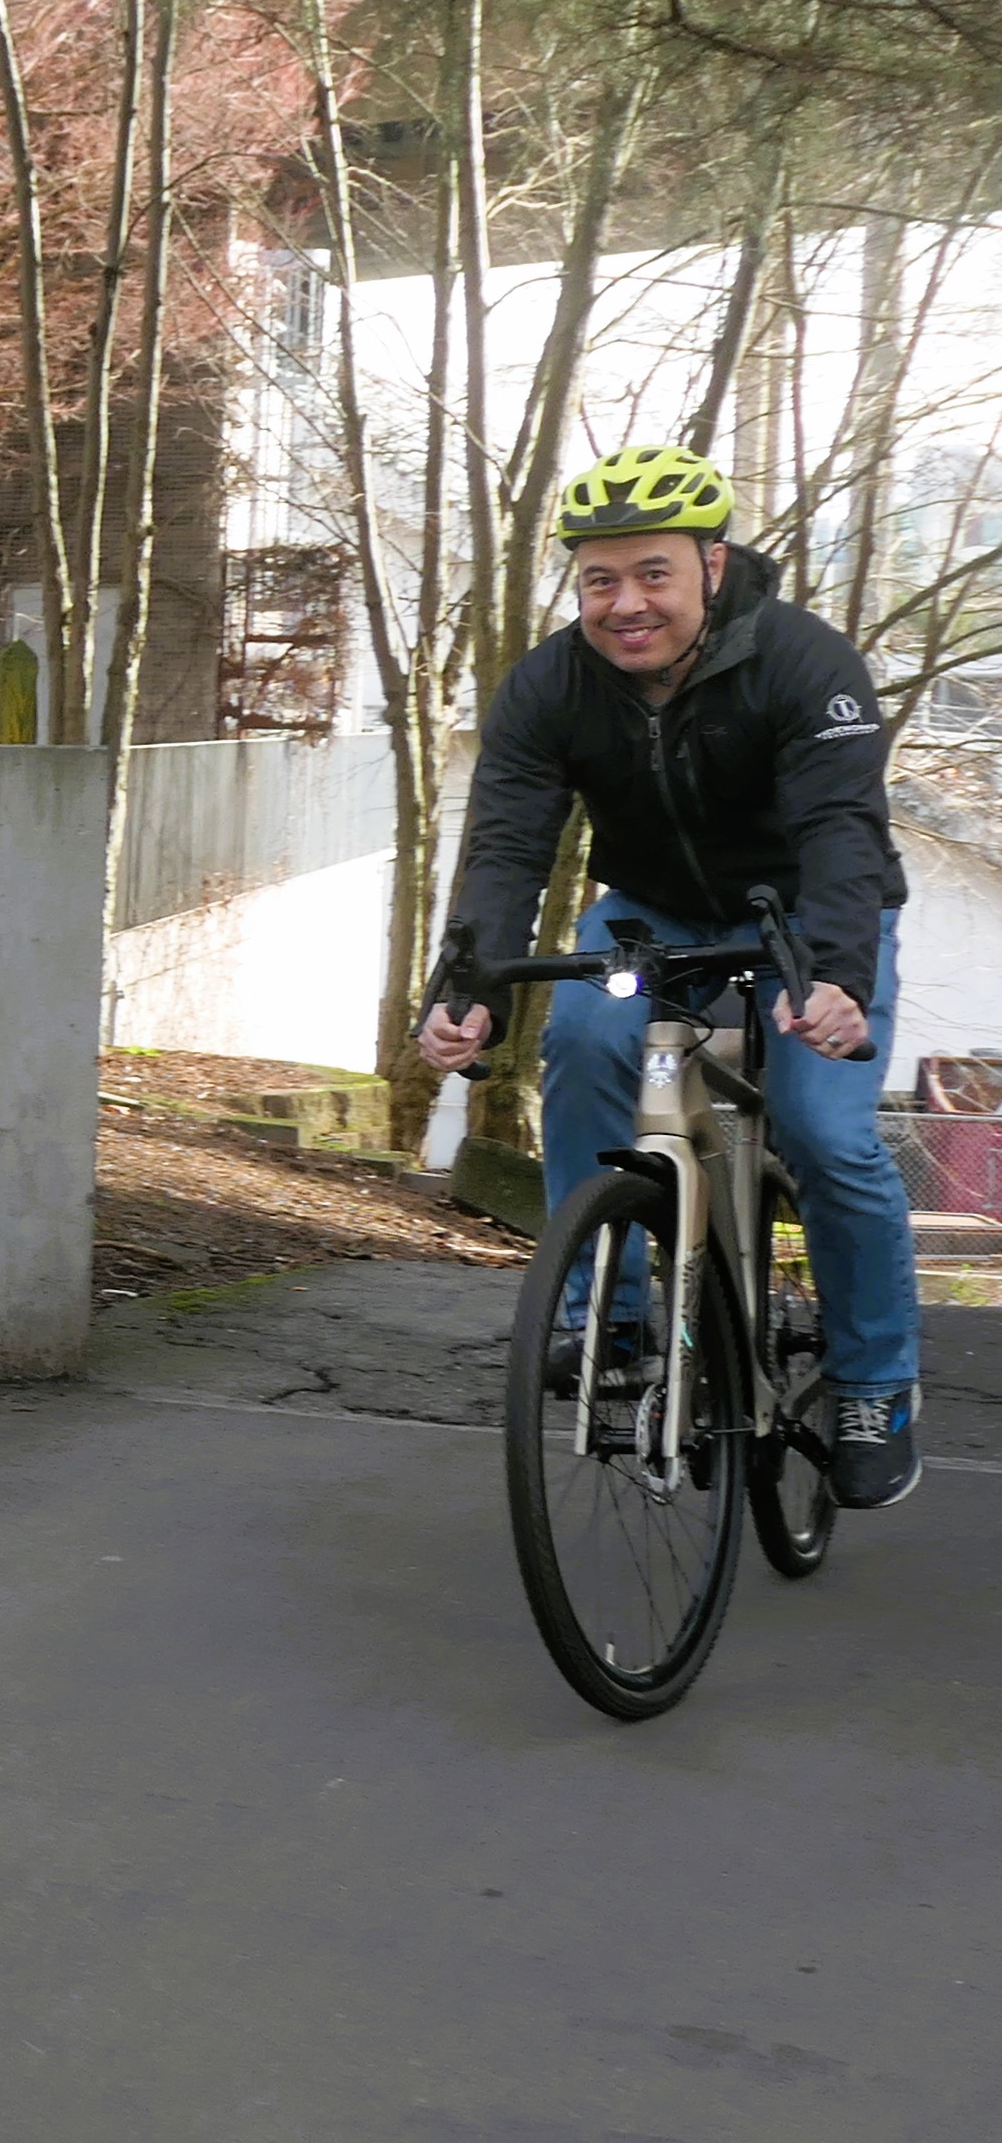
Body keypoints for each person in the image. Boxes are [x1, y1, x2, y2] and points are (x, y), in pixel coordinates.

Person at [420, 445, 921, 1506]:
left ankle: (876, 1384)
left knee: (825, 1130)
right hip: (651, 911)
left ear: (713, 565)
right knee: (583, 1040)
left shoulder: (804, 661)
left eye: (654, 572)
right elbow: (506, 847)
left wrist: (833, 973)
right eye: (599, 579)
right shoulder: (550, 685)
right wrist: (465, 991)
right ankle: (609, 1321)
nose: (626, 603)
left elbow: (840, 830)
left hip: (809, 912)